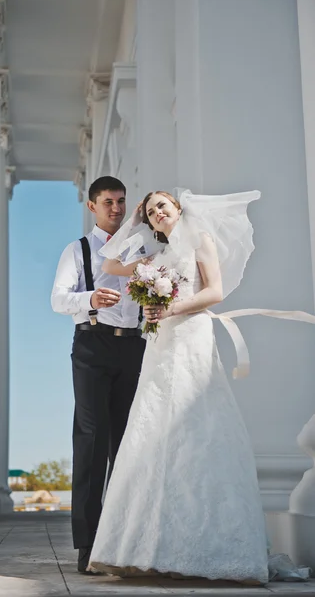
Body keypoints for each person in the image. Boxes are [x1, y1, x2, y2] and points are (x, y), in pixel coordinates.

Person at [89, 188, 271, 583]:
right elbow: (110, 262)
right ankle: (148, 546)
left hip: (190, 336)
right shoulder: (154, 258)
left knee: (196, 427)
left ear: (178, 208)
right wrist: (133, 223)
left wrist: (168, 308)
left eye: (162, 207)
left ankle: (204, 548)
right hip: (160, 342)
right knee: (153, 428)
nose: (157, 213)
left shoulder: (200, 241)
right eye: (152, 211)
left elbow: (215, 291)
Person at [51, 176, 146, 574]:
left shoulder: (142, 248)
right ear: (92, 206)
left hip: (135, 347)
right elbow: (58, 299)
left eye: (122, 201)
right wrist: (89, 297)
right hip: (92, 345)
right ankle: (88, 545)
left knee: (129, 444)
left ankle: (124, 539)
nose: (116, 208)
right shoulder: (77, 250)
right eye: (108, 202)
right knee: (92, 441)